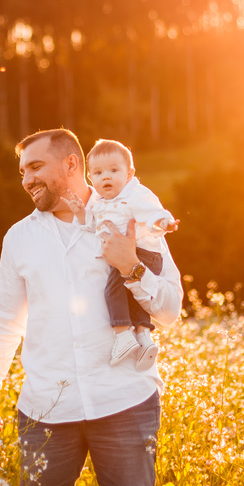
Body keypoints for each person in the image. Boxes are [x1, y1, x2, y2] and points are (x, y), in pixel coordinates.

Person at [0, 129, 184, 486]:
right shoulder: (20, 239)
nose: (26, 179)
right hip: (46, 410)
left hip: (125, 401)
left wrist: (132, 267)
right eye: (22, 171)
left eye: (35, 167)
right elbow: (4, 323)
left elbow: (170, 310)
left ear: (71, 165)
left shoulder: (130, 220)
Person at [66, 138, 176, 370]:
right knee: (132, 297)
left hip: (144, 254)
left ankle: (122, 333)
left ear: (129, 174)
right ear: (90, 178)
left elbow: (153, 211)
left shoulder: (134, 194)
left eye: (114, 170)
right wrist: (80, 212)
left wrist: (163, 222)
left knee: (113, 288)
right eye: (98, 173)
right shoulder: (97, 202)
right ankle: (144, 339)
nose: (106, 177)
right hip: (129, 255)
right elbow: (91, 224)